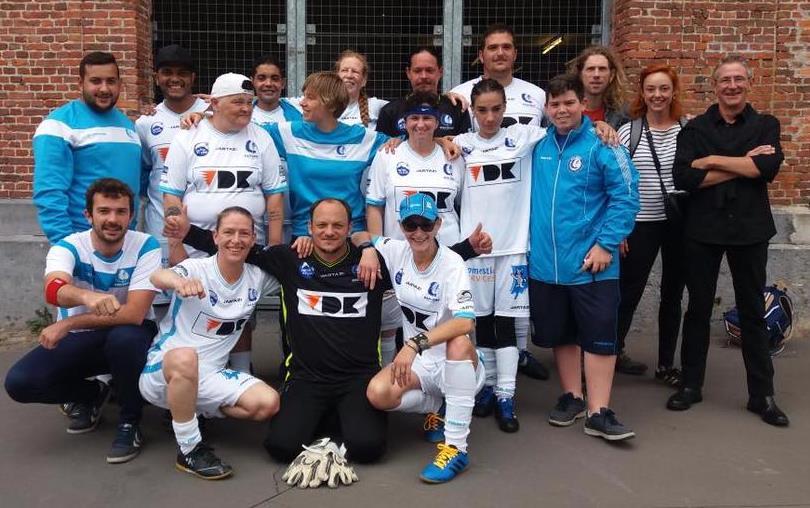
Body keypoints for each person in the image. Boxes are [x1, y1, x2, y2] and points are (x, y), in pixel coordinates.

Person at [166, 198, 490, 465]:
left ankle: (343, 415)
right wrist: (187, 232)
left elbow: (423, 257)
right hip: (306, 377)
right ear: (309, 228)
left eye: (337, 225)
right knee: (280, 447)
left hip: (358, 377)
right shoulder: (290, 258)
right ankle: (326, 415)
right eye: (321, 225)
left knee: (368, 450)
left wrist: (469, 248)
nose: (329, 232)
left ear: (349, 229)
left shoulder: (373, 262)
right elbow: (237, 248)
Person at [668, 55, 789, 427]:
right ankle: (691, 385)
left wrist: (710, 161)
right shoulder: (695, 128)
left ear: (749, 83)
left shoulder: (766, 124)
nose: (732, 86)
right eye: (725, 80)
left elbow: (765, 168)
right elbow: (684, 178)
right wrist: (741, 165)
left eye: (739, 79)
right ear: (715, 85)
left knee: (752, 312)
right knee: (698, 309)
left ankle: (762, 395)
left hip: (750, 230)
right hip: (702, 229)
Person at [5, 178, 160, 464]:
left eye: (121, 212)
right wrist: (86, 296)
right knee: (20, 383)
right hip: (83, 339)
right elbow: (54, 289)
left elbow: (134, 313)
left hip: (129, 334)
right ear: (88, 215)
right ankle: (92, 394)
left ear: (131, 216)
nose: (112, 219)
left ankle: (130, 421)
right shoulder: (69, 246)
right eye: (104, 211)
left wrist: (67, 324)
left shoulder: (145, 245)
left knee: (125, 337)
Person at [529, 74, 639, 441]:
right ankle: (572, 397)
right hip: (547, 266)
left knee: (598, 337)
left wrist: (607, 244)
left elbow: (627, 195)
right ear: (547, 108)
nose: (561, 110)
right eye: (555, 104)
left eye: (569, 103)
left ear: (583, 105)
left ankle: (599, 410)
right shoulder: (538, 146)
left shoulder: (603, 144)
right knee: (563, 334)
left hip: (592, 263)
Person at [140, 207, 281, 479]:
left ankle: (190, 410)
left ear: (253, 239)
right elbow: (158, 276)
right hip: (165, 371)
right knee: (186, 357)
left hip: (210, 373)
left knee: (268, 403)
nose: (236, 240)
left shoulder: (257, 277)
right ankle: (190, 449)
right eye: (228, 232)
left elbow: (294, 277)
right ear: (215, 236)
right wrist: (177, 282)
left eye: (244, 234)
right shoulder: (197, 268)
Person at [160, 72, 287, 374]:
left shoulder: (261, 137)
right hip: (196, 243)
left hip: (242, 243)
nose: (246, 108)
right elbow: (171, 195)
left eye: (249, 102)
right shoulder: (188, 136)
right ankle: (189, 374)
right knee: (194, 310)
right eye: (238, 102)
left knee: (238, 310)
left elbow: (274, 196)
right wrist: (177, 243)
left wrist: (274, 247)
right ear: (214, 103)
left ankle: (241, 374)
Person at [450, 24, 549, 379]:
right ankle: (489, 384)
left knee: (508, 320)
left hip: (513, 246)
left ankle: (506, 392)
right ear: (473, 112)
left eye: (496, 110)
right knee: (481, 320)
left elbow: (565, 128)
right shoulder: (461, 143)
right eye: (482, 110)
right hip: (477, 246)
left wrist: (598, 126)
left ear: (505, 108)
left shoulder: (525, 134)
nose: (490, 117)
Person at [364, 194, 483, 484]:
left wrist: (413, 345)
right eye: (411, 225)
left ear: (438, 225)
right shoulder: (395, 251)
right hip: (421, 365)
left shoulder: (452, 264)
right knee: (377, 394)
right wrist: (368, 249)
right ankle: (437, 406)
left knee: (459, 340)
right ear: (401, 226)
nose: (418, 233)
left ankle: (456, 449)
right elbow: (360, 234)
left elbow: (465, 321)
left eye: (426, 225)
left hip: (457, 362)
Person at [366, 91, 465, 366]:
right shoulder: (388, 155)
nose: (420, 124)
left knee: (447, 322)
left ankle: (449, 377)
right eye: (414, 118)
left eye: (427, 118)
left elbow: (462, 204)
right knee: (391, 324)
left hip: (445, 252)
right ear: (404, 121)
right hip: (400, 253)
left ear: (437, 122)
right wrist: (377, 250)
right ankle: (391, 375)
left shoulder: (453, 156)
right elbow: (374, 206)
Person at [616, 64, 687, 384]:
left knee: (672, 295)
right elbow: (616, 183)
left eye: (664, 89)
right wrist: (618, 228)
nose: (657, 95)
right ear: (642, 94)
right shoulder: (628, 132)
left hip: (678, 224)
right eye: (651, 89)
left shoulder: (688, 130)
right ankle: (612, 353)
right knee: (628, 293)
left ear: (673, 92)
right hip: (639, 224)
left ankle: (666, 365)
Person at [33, 52, 142, 244]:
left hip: (125, 242)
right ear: (80, 83)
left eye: (111, 81)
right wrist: (65, 245)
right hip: (82, 242)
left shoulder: (128, 126)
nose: (104, 88)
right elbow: (49, 192)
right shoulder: (58, 125)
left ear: (120, 84)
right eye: (96, 81)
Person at [264, 71, 389, 239]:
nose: (302, 103)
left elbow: (406, 145)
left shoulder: (362, 138)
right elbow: (248, 129)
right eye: (304, 96)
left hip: (351, 236)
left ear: (331, 105)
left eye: (310, 97)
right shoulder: (288, 133)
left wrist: (396, 141)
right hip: (304, 236)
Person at [136, 44, 209, 305]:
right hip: (162, 229)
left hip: (207, 230)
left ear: (193, 78)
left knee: (208, 303)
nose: (175, 79)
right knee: (165, 304)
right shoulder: (146, 122)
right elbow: (145, 173)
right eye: (167, 72)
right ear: (156, 77)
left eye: (182, 73)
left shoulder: (214, 112)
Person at [451, 24, 546, 129]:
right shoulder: (459, 95)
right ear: (481, 56)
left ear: (515, 54)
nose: (500, 53)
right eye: (493, 48)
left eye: (506, 47)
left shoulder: (539, 95)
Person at [376, 47, 471, 138]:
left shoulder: (457, 109)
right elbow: (381, 146)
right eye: (417, 71)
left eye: (429, 70)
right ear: (408, 73)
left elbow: (465, 145)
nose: (424, 76)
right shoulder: (390, 111)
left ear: (440, 72)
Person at [569, 45, 630, 130]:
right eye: (590, 69)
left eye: (602, 69)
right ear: (580, 74)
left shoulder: (623, 114)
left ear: (612, 75)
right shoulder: (565, 110)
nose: (596, 75)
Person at [333, 50, 388, 129]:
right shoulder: (324, 107)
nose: (349, 75)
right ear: (336, 77)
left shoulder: (375, 105)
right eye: (344, 70)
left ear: (364, 80)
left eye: (355, 71)